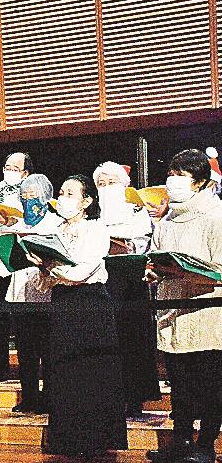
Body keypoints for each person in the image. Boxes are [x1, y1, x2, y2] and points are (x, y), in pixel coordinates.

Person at [34, 174, 126, 458]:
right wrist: (42, 267)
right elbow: (44, 284)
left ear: (86, 201)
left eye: (70, 194)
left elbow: (82, 271)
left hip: (90, 304)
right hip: (62, 303)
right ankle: (66, 438)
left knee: (92, 370)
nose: (63, 198)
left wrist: (53, 269)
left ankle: (96, 438)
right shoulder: (55, 230)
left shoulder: (96, 229)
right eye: (61, 192)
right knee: (63, 369)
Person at [146, 149, 222, 463]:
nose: (172, 181)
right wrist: (153, 271)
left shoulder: (216, 216)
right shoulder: (167, 220)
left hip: (206, 311)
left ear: (200, 182)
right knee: (179, 384)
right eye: (171, 174)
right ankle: (180, 442)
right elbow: (155, 257)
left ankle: (206, 444)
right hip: (172, 309)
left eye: (181, 175)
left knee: (209, 382)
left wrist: (187, 272)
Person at [94, 162, 160, 415]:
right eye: (101, 184)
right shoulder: (94, 213)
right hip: (101, 279)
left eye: (112, 183)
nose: (106, 188)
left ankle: (134, 399)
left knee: (133, 339)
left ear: (124, 185)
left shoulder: (137, 212)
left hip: (130, 280)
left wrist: (123, 244)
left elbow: (142, 242)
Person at [0, 174, 60, 413]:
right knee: (26, 351)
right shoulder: (17, 226)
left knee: (48, 350)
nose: (28, 201)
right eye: (24, 196)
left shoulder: (56, 224)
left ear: (45, 197)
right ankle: (29, 397)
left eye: (33, 196)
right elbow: (1, 265)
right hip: (20, 294)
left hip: (47, 294)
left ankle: (51, 397)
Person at [0, 152, 32, 382]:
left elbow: (30, 223)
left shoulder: (28, 194)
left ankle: (26, 368)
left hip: (18, 260)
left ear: (25, 173)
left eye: (15, 168)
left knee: (21, 318)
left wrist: (9, 222)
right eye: (7, 167)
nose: (9, 171)